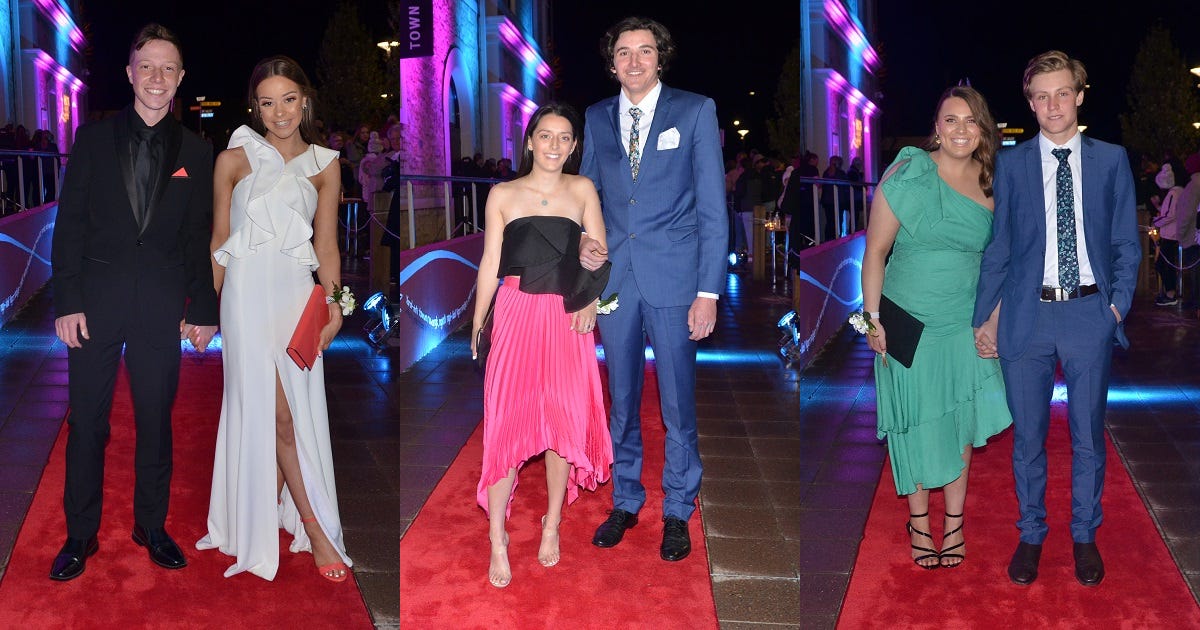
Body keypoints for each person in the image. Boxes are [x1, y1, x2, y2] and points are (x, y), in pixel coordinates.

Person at [48, 23, 218, 582]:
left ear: (181, 78)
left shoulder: (197, 149)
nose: (156, 77)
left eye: (168, 68)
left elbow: (196, 235)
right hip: (95, 304)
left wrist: (203, 309)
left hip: (161, 306)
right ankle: (80, 534)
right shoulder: (93, 139)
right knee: (87, 423)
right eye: (147, 66)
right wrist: (67, 300)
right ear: (129, 72)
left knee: (155, 420)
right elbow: (70, 226)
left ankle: (151, 525)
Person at [973, 50, 1141, 588]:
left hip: (1090, 313)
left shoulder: (1111, 160)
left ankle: (1085, 535)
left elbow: (1125, 242)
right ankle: (1031, 533)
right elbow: (1000, 246)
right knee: (1028, 438)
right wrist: (985, 317)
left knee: (1088, 436)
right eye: (1041, 96)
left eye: (1062, 93)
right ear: (1030, 103)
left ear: (1080, 95)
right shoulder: (1012, 164)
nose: (1052, 105)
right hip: (1027, 315)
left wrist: (1115, 307)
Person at [197, 55, 352, 582]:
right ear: (255, 106)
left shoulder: (325, 164)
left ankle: (279, 506)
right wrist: (205, 310)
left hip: (295, 297)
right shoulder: (232, 159)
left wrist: (335, 303)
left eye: (288, 100)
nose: (280, 112)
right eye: (268, 102)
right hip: (243, 298)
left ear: (305, 100)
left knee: (290, 413)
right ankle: (312, 527)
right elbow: (220, 241)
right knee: (270, 412)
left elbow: (326, 246)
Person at [578, 16, 727, 563]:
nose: (634, 61)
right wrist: (583, 244)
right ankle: (625, 499)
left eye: (645, 51)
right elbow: (586, 195)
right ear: (612, 62)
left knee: (677, 405)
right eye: (624, 52)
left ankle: (678, 508)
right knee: (620, 401)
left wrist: (709, 291)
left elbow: (713, 208)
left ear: (660, 58)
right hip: (615, 279)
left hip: (676, 279)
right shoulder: (596, 117)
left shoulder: (695, 110)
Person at [861, 86, 1013, 570]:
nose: (961, 130)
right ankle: (919, 523)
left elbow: (1003, 263)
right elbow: (875, 252)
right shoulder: (908, 174)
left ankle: (955, 524)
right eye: (951, 120)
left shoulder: (993, 184)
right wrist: (871, 319)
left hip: (964, 323)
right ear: (937, 127)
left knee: (959, 424)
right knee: (916, 424)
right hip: (906, 323)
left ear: (983, 130)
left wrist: (993, 319)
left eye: (971, 121)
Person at [471, 103, 614, 588]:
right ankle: (497, 536)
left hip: (565, 317)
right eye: (546, 135)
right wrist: (479, 321)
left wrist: (590, 299)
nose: (554, 145)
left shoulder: (583, 189)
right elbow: (490, 261)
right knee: (505, 424)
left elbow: (599, 253)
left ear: (573, 146)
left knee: (562, 421)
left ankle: (552, 523)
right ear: (530, 141)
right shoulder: (503, 194)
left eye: (564, 137)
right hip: (515, 314)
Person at [1149, 160, 1191, 305]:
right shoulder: (1179, 191)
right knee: (1166, 264)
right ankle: (1170, 293)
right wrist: (1158, 207)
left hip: (1170, 234)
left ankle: (1171, 294)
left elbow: (1169, 215)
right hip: (1173, 233)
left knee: (1163, 264)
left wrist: (1156, 221)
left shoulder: (1174, 193)